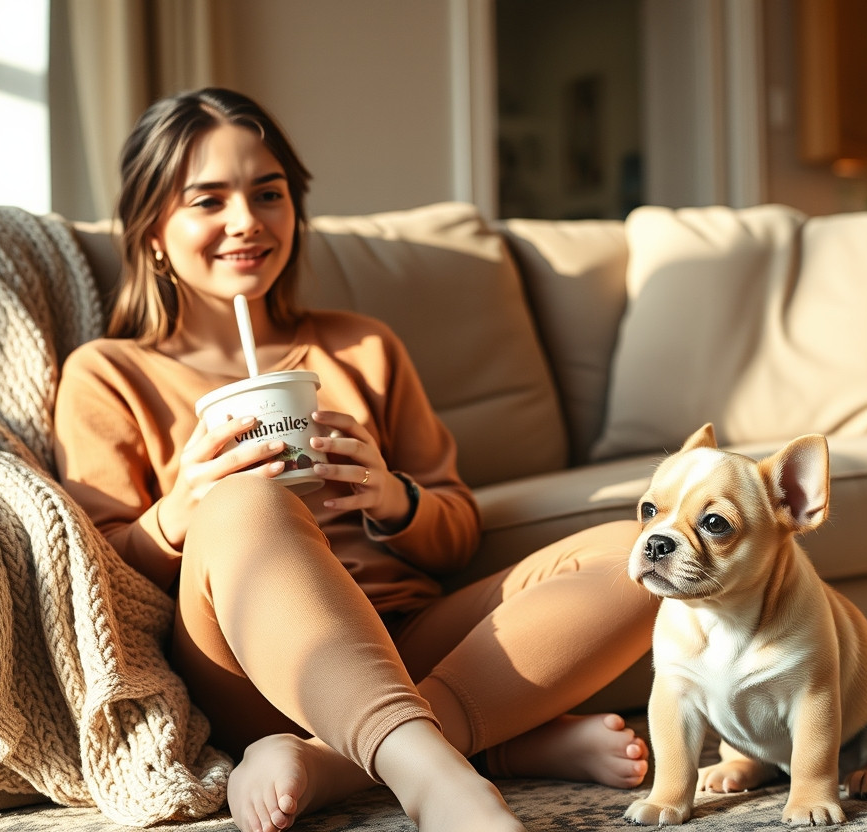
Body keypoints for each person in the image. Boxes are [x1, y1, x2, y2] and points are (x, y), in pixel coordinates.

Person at [53, 87, 658, 832]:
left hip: (405, 635)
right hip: (253, 669)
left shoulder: (362, 346)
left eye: (267, 193)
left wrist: (395, 498)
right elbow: (96, 576)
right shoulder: (109, 373)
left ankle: (341, 762)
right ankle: (442, 776)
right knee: (246, 503)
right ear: (152, 229)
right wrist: (182, 511)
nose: (245, 221)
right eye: (207, 201)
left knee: (645, 555)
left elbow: (457, 528)